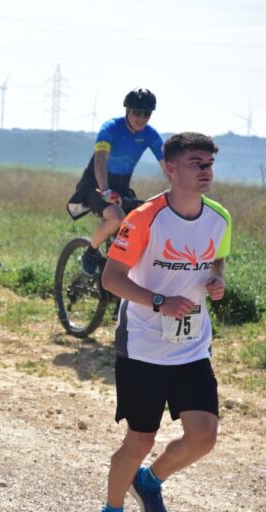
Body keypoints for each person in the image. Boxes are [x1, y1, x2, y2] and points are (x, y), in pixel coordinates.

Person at [99, 132, 230, 512]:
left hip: (191, 344)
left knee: (203, 436)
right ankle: (112, 507)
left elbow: (217, 258)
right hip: (143, 343)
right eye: (196, 163)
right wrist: (160, 301)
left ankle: (149, 480)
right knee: (140, 439)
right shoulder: (143, 219)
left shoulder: (219, 217)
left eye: (209, 164)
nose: (206, 171)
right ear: (171, 168)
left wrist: (217, 279)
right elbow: (112, 279)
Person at [67, 88, 166, 276]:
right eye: (137, 112)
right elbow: (100, 160)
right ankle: (90, 253)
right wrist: (105, 191)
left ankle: (121, 267)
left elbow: (167, 166)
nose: (142, 117)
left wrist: (179, 192)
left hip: (122, 187)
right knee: (117, 217)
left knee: (143, 222)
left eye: (147, 113)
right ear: (127, 110)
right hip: (96, 183)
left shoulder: (150, 135)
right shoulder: (110, 128)